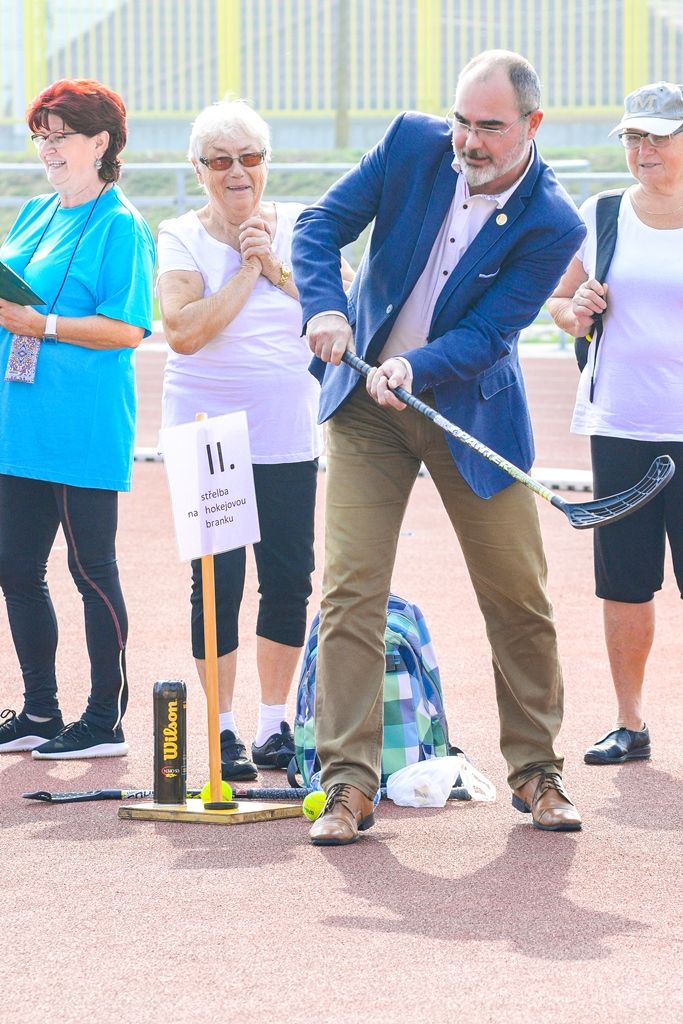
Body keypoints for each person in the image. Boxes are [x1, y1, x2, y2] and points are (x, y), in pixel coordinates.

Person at [291, 49, 587, 845]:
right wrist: (325, 308)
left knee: (518, 597)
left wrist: (412, 366)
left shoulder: (554, 220)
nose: (469, 141)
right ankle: (348, 783)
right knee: (351, 590)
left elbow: (491, 335)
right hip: (366, 412)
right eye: (462, 121)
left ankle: (536, 772)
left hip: (470, 418)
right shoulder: (410, 143)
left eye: (489, 127)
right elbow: (318, 225)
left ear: (531, 125)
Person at [157, 99, 353, 781]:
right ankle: (222, 730)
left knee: (286, 579)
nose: (237, 171)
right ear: (199, 168)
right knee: (216, 581)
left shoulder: (303, 228)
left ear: (265, 163)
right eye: (220, 160)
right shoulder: (181, 234)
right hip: (205, 429)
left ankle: (274, 724)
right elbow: (182, 329)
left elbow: (346, 309)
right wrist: (243, 270)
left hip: (285, 429)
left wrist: (272, 264)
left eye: (249, 157)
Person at [0, 79, 155, 759]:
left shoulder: (121, 224)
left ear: (102, 142)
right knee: (15, 567)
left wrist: (46, 324)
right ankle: (39, 711)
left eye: (60, 134)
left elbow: (127, 329)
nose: (48, 148)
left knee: (91, 569)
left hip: (81, 424)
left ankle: (104, 720)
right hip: (19, 420)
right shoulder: (35, 211)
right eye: (41, 134)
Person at [547, 82, 683, 767]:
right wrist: (574, 310)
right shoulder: (601, 213)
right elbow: (560, 300)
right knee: (623, 581)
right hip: (622, 424)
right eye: (634, 137)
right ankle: (629, 723)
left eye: (659, 135)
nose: (644, 149)